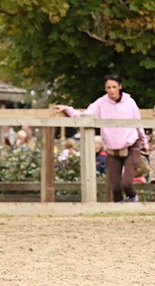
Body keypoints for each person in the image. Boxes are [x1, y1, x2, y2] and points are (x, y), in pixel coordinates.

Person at [53, 74, 147, 202]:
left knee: (127, 183)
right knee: (115, 186)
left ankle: (132, 200)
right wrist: (68, 109)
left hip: (131, 146)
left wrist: (144, 144)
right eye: (108, 87)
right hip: (112, 149)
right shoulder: (101, 103)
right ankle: (119, 208)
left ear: (120, 87)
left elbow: (138, 123)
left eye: (114, 87)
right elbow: (85, 116)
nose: (111, 90)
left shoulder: (129, 102)